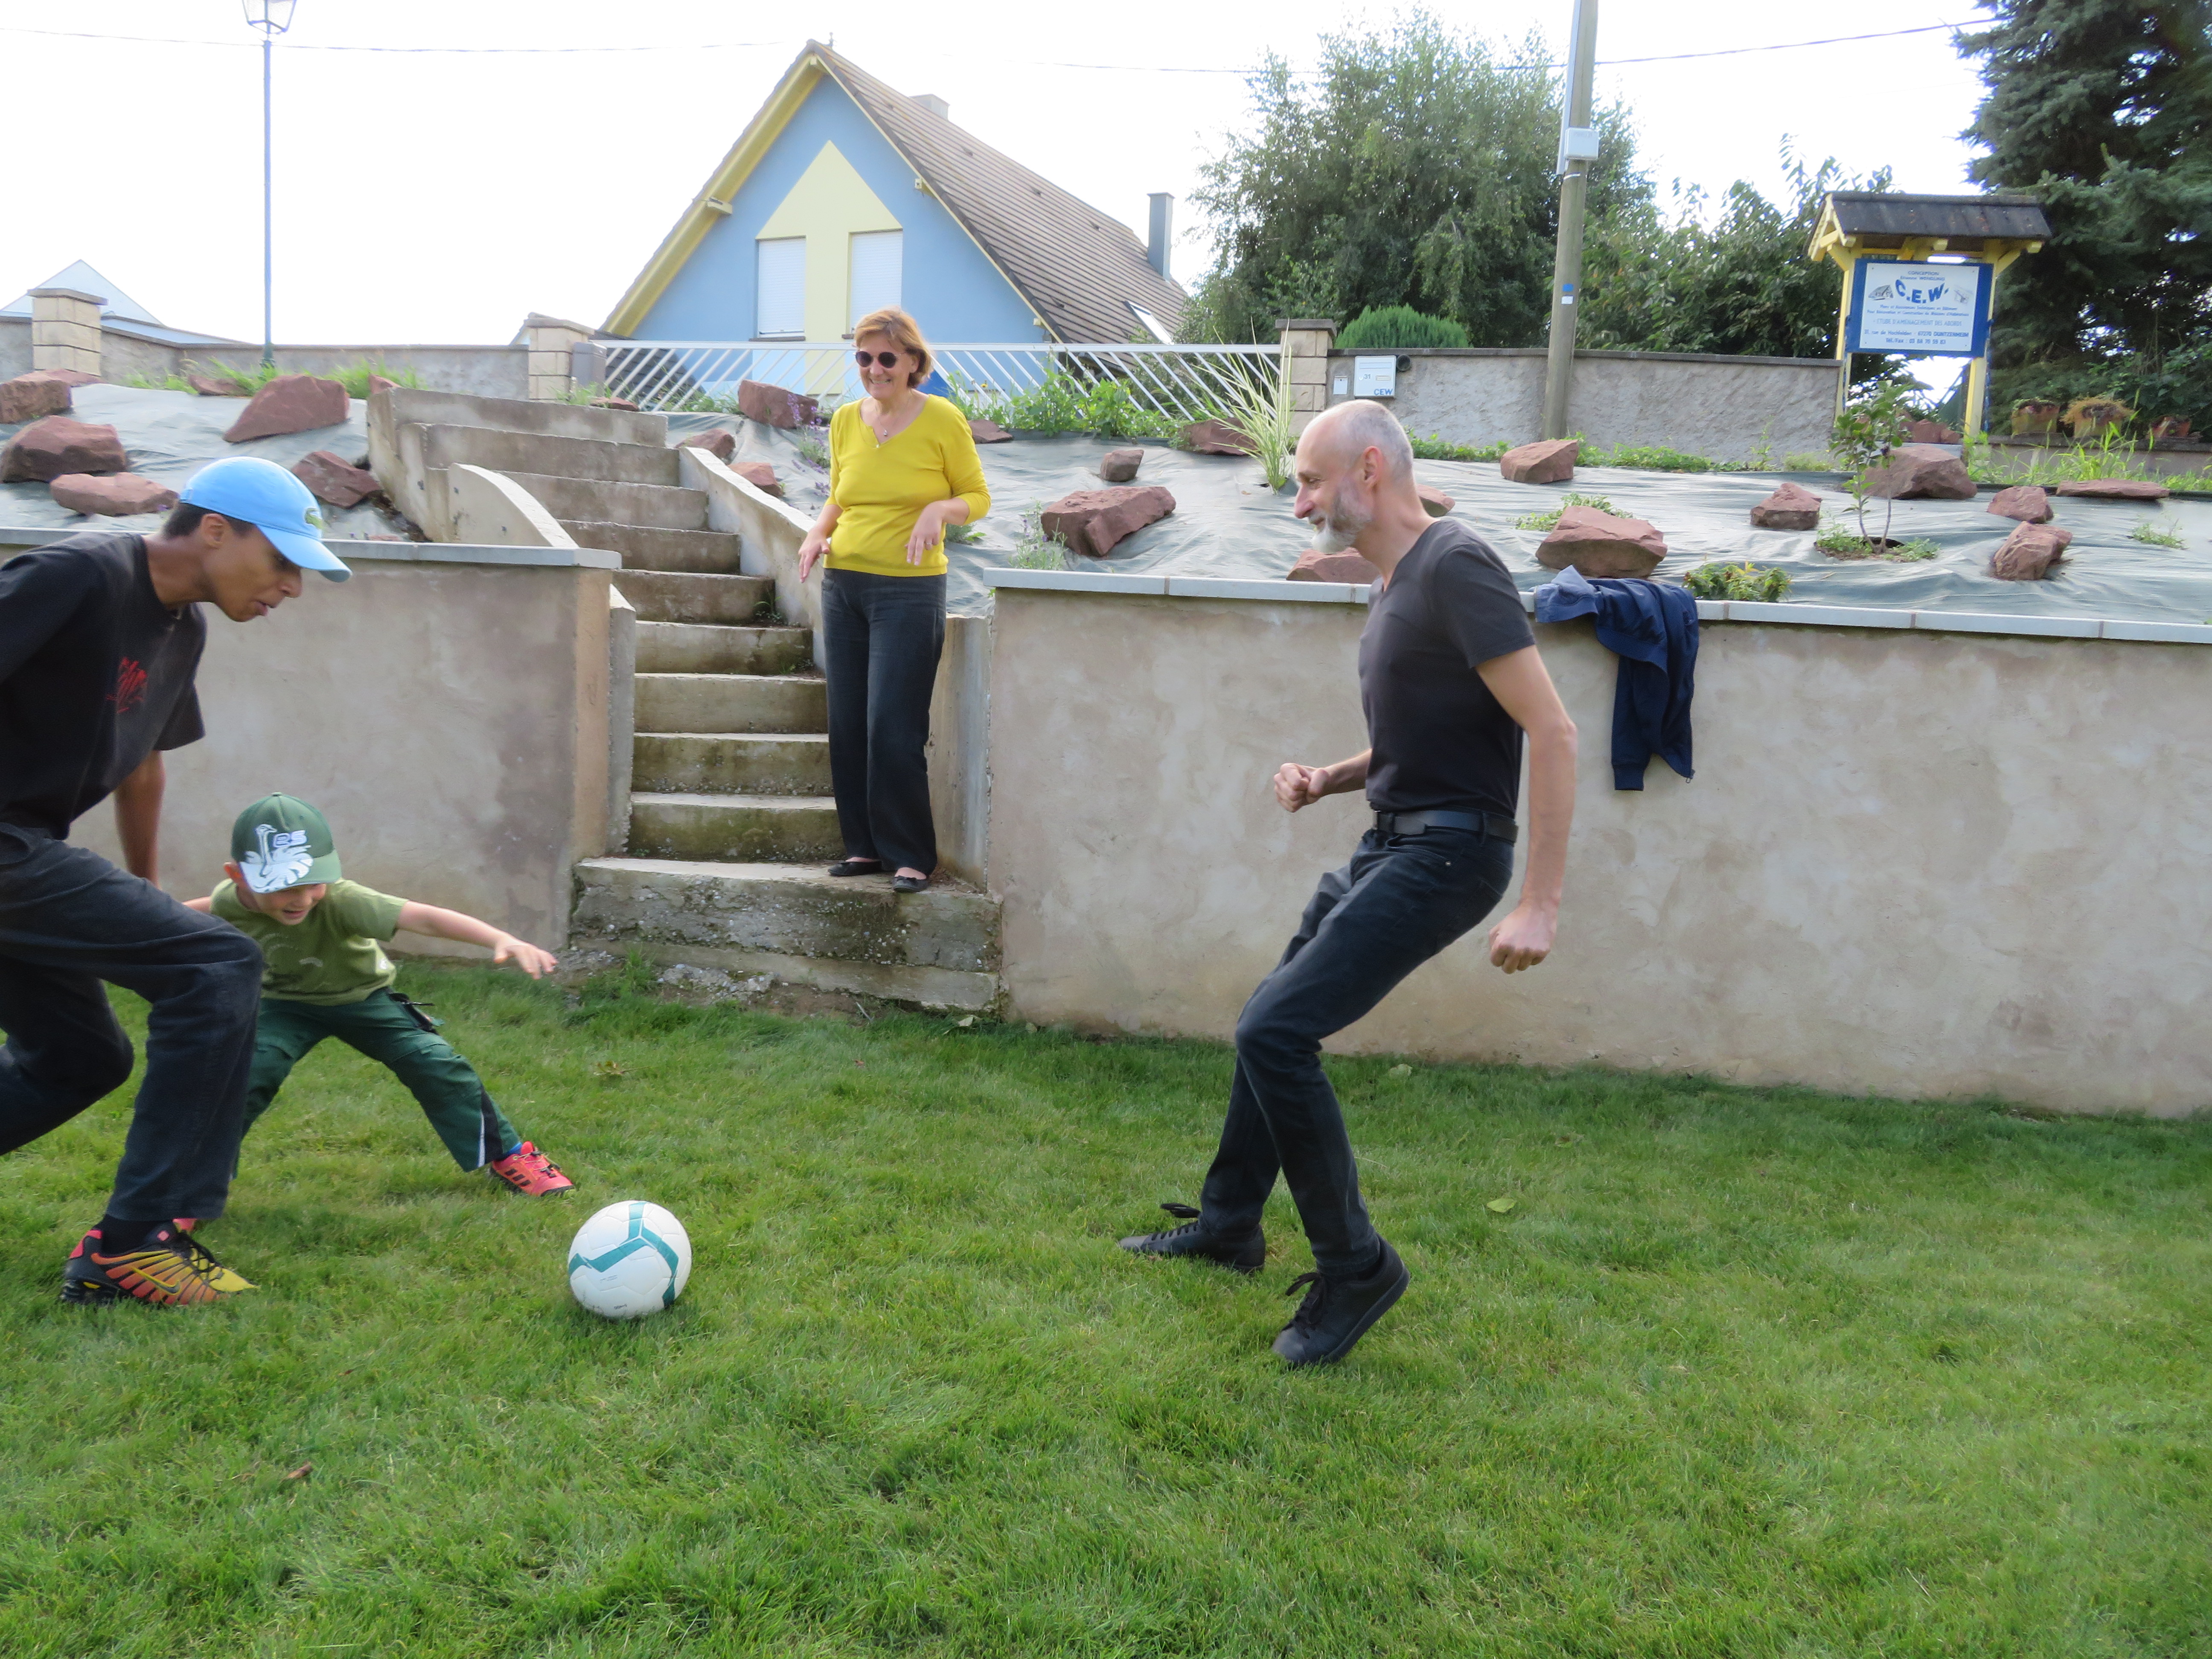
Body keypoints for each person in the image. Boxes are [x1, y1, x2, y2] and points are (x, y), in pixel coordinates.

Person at [1118, 401, 1580, 1367]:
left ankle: (1356, 1266)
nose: (1299, 504)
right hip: (1391, 842)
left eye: (1307, 481)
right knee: (1269, 1018)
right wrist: (1327, 777)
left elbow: (1551, 729)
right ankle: (1229, 1223)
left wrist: (1539, 903)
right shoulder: (1397, 582)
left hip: (1447, 856)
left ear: (1368, 468)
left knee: (1274, 1031)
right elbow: (1427, 737)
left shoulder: (1454, 564)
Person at [0, 457, 351, 1307]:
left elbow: (143, 764)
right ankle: (135, 1244)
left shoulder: (182, 630)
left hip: (27, 849)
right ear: (216, 531)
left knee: (81, 1057)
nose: (292, 587)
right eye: (283, 561)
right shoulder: (82, 573)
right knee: (219, 963)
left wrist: (145, 889)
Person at [181, 794, 573, 1199]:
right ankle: (190, 1188)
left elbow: (423, 918)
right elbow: (183, 915)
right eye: (284, 886)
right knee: (244, 1073)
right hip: (283, 1005)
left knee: (437, 1064)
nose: (301, 899)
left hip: (364, 999)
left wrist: (500, 939)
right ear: (239, 876)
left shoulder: (344, 900)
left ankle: (508, 1155)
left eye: (312, 882)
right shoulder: (229, 901)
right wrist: (142, 923)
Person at [796, 307, 990, 894]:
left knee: (892, 726)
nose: (874, 369)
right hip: (844, 586)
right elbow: (840, 496)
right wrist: (816, 532)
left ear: (911, 362)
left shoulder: (942, 419)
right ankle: (863, 848)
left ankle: (910, 855)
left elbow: (977, 497)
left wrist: (938, 510)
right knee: (848, 724)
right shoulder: (845, 421)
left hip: (909, 591)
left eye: (886, 358)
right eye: (864, 357)